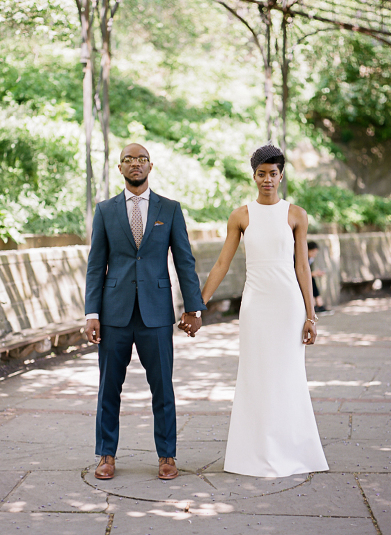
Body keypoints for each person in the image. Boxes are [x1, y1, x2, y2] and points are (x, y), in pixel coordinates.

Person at [200, 143, 328, 477]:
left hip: (288, 307)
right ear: (254, 176)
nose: (267, 179)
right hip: (255, 307)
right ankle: (252, 455)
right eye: (261, 174)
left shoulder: (296, 214)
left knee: (288, 376)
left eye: (273, 173)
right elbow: (222, 264)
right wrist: (197, 306)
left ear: (281, 175)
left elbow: (302, 266)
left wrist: (310, 315)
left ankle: (293, 452)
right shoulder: (241, 215)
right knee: (255, 376)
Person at [85, 143, 206, 481]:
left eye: (141, 159)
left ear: (150, 166)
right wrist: (90, 313)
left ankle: (167, 456)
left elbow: (184, 261)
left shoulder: (169, 209)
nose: (135, 164)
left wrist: (194, 308)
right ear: (120, 168)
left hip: (156, 314)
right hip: (114, 315)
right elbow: (96, 266)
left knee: (163, 388)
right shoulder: (105, 211)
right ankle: (106, 454)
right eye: (128, 159)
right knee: (109, 387)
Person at [308, 240, 329, 312]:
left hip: (309, 278)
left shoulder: (310, 259)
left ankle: (318, 303)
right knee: (311, 280)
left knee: (312, 280)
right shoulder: (302, 258)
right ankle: (317, 303)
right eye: (313, 252)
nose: (314, 254)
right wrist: (314, 273)